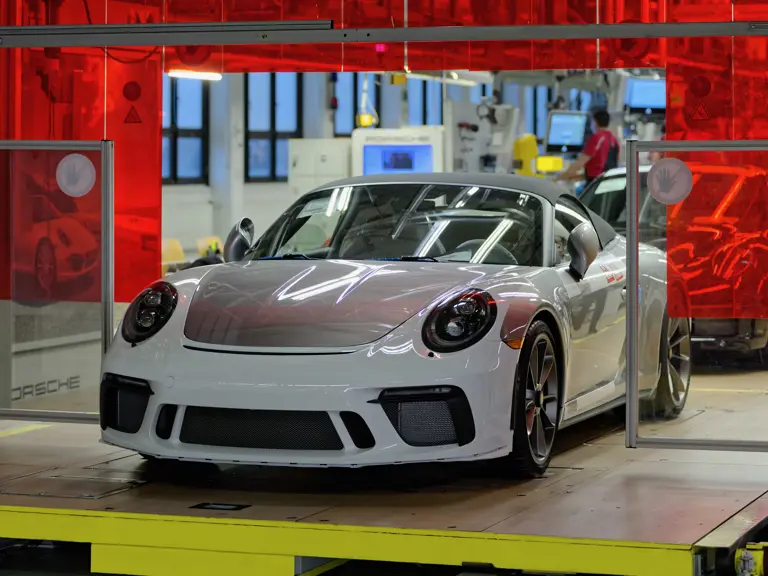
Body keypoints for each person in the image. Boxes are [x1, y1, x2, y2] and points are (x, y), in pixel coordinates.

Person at [554, 109, 619, 186]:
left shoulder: (596, 138)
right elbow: (607, 166)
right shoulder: (614, 139)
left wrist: (559, 178)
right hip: (609, 182)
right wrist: (572, 177)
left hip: (596, 183)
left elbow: (580, 163)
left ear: (595, 122)